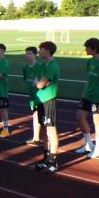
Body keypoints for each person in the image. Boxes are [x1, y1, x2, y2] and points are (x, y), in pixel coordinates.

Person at [75, 38, 99, 159]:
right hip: (87, 96)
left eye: (87, 47)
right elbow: (89, 79)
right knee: (79, 117)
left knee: (97, 122)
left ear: (94, 49)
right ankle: (89, 144)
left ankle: (98, 150)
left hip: (98, 98)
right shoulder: (89, 62)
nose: (85, 50)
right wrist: (84, 94)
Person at [34, 41, 60, 173]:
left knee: (51, 131)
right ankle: (46, 158)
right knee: (44, 131)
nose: (39, 52)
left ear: (48, 51)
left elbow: (39, 84)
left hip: (49, 101)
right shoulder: (45, 65)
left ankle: (53, 162)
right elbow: (40, 82)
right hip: (42, 101)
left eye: (41, 49)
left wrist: (39, 83)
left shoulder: (52, 66)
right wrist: (39, 83)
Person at [22, 47, 42, 146]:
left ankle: (37, 138)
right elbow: (26, 80)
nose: (27, 55)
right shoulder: (25, 67)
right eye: (26, 53)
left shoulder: (40, 67)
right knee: (36, 116)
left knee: (37, 116)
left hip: (40, 97)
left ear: (35, 55)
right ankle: (37, 137)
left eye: (29, 53)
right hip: (32, 97)